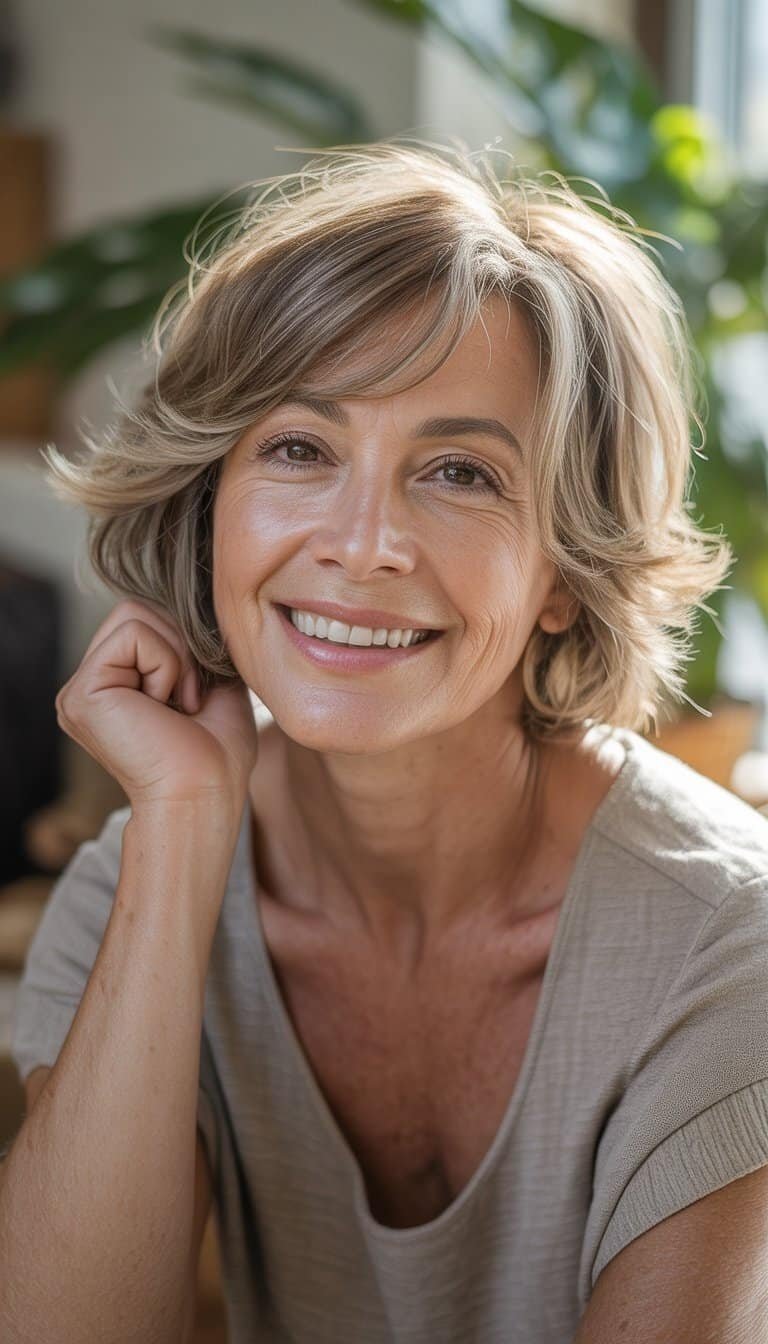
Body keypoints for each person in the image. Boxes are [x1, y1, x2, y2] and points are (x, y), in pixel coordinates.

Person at [5, 139, 768, 1344]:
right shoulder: (136, 887)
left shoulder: (728, 939)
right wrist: (185, 828)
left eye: (459, 472)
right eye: (300, 450)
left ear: (567, 571)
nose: (363, 544)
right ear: (214, 506)